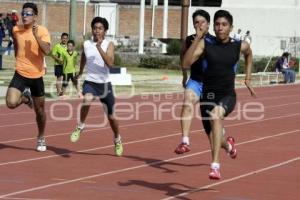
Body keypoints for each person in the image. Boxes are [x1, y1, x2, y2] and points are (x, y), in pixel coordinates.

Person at [182, 10, 256, 180]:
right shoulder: (205, 45)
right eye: (217, 24)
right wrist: (198, 40)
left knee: (217, 115)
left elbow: (249, 54)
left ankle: (215, 166)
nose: (220, 28)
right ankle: (228, 146)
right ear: (213, 27)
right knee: (215, 138)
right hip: (207, 97)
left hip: (227, 95)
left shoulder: (239, 45)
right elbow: (186, 63)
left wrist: (248, 78)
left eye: (224, 25)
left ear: (231, 27)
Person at [70, 17, 123, 156]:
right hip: (91, 82)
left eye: (100, 28)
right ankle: (80, 126)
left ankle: (117, 139)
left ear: (105, 31)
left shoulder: (109, 44)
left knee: (111, 117)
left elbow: (111, 64)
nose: (97, 31)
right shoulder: (86, 44)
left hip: (105, 84)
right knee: (87, 99)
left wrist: (99, 47)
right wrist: (80, 72)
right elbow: (83, 57)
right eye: (95, 28)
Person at [5, 2, 51, 152]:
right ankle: (25, 98)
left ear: (35, 16)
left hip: (37, 76)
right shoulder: (15, 30)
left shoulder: (42, 31)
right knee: (11, 103)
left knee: (40, 112)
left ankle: (41, 137)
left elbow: (47, 51)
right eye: (23, 13)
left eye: (28, 14)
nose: (24, 16)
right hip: (20, 72)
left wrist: (36, 36)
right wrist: (19, 58)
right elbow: (17, 46)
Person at [174, 9, 212, 154]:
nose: (199, 25)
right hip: (195, 81)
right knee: (187, 103)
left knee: (211, 125)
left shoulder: (214, 41)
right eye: (196, 22)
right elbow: (183, 57)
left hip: (211, 84)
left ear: (208, 24)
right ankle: (185, 141)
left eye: (202, 22)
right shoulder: (189, 40)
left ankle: (226, 144)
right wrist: (184, 76)